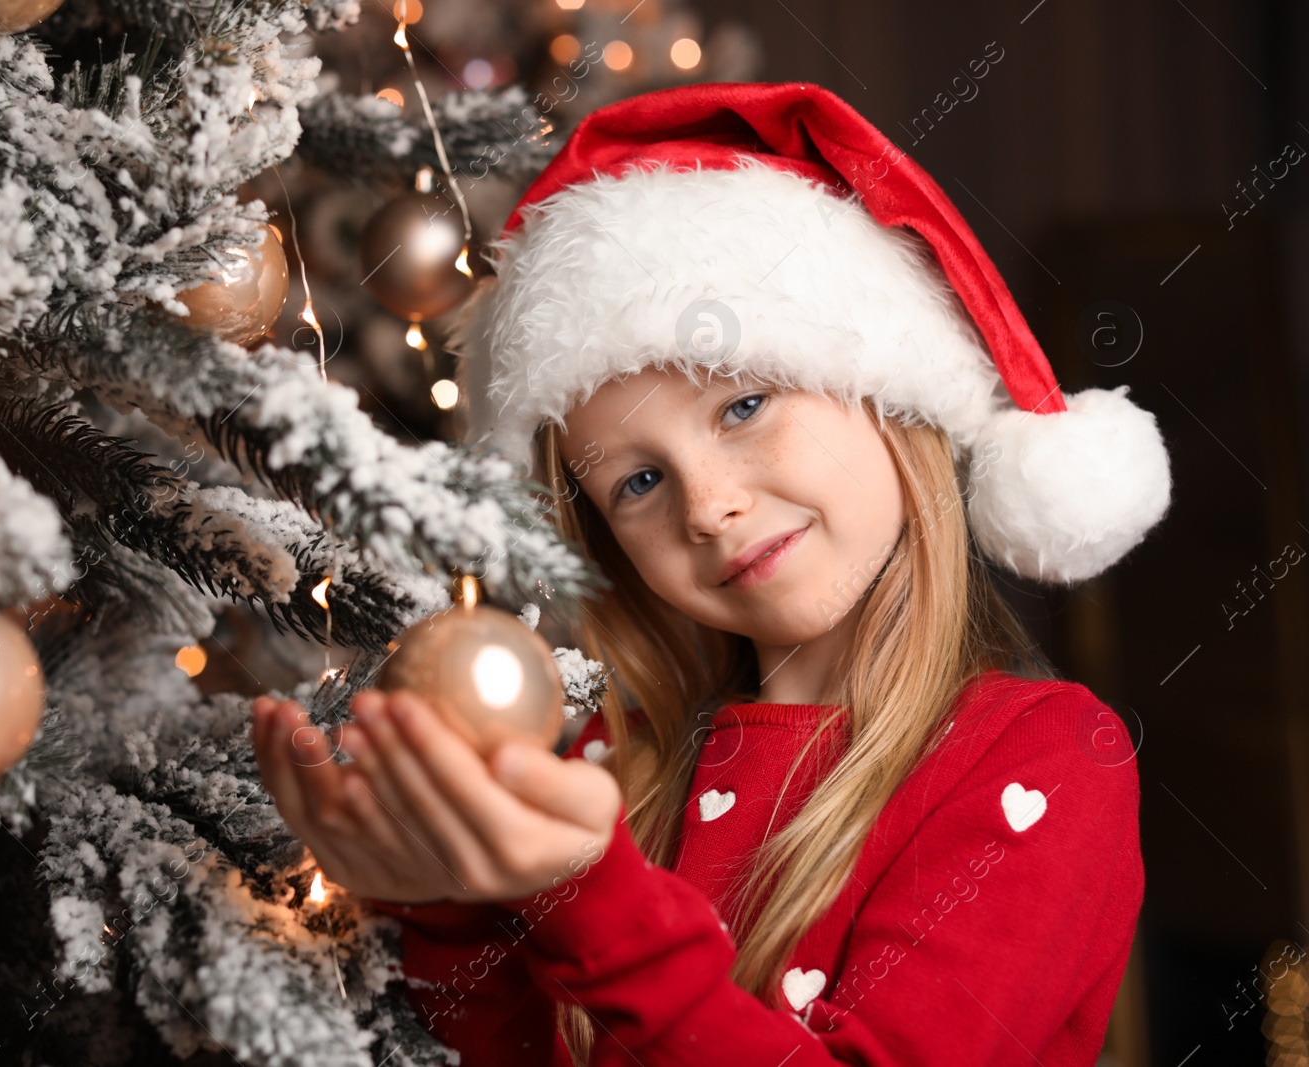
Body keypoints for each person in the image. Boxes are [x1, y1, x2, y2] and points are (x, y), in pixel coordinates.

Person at [252, 82, 1174, 1065]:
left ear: (887, 390)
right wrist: (447, 908)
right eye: (639, 480)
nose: (706, 506)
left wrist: (593, 904)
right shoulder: (626, 763)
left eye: (743, 407)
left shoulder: (1045, 758)